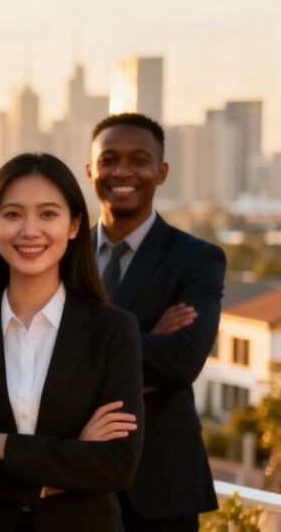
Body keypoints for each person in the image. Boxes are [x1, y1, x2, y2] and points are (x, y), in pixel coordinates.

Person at [0, 152, 144, 531]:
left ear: (74, 225)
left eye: (47, 214)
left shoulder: (113, 331)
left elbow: (116, 464)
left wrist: (1, 445)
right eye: (12, 214)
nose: (30, 230)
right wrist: (71, 460)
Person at [86, 113, 224, 531]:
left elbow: (182, 359)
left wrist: (81, 358)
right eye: (109, 159)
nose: (122, 171)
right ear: (90, 169)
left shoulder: (197, 258)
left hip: (162, 485)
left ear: (161, 172)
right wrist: (146, 341)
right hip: (73, 477)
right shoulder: (59, 253)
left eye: (139, 159)